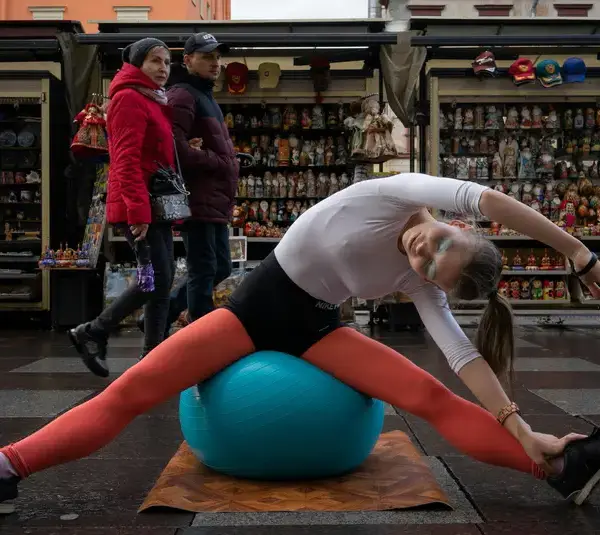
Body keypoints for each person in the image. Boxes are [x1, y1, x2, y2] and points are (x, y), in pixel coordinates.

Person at [2, 173, 600, 506]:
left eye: (430, 272)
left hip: (316, 327)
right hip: (255, 309)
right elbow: (494, 199)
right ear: (458, 224)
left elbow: (461, 355)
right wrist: (575, 251)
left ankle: (556, 469)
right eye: (440, 245)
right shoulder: (406, 192)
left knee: (433, 401)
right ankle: (9, 465)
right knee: (130, 394)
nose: (425, 257)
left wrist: (524, 431)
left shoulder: (420, 281)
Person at [68, 38, 177, 375]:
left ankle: (152, 358)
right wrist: (137, 212)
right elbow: (125, 160)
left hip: (153, 204)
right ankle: (93, 330)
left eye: (167, 63)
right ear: (137, 64)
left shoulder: (151, 99)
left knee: (163, 278)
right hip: (139, 205)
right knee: (153, 280)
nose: (163, 69)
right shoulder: (130, 98)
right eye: (155, 61)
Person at [167, 33, 239, 322]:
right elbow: (173, 147)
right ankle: (199, 336)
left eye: (218, 57)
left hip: (213, 200)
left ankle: (160, 317)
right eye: (207, 56)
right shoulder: (182, 94)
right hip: (195, 199)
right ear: (187, 60)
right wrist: (219, 160)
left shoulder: (204, 96)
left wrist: (229, 160)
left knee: (220, 267)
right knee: (204, 269)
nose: (216, 63)